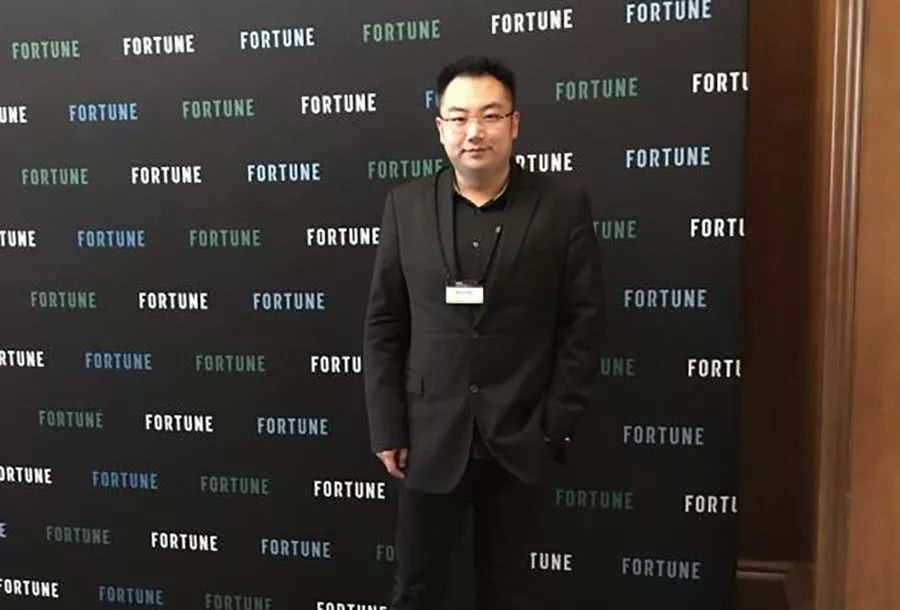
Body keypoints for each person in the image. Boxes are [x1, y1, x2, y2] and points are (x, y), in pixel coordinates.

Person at [363, 55, 599, 610]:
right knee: (417, 589)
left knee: (511, 592)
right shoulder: (405, 205)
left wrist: (554, 423)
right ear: (440, 128)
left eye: (490, 115)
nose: (474, 131)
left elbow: (583, 320)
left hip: (519, 434)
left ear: (514, 124)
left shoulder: (561, 206)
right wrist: (387, 425)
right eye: (459, 117)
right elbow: (385, 322)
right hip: (427, 437)